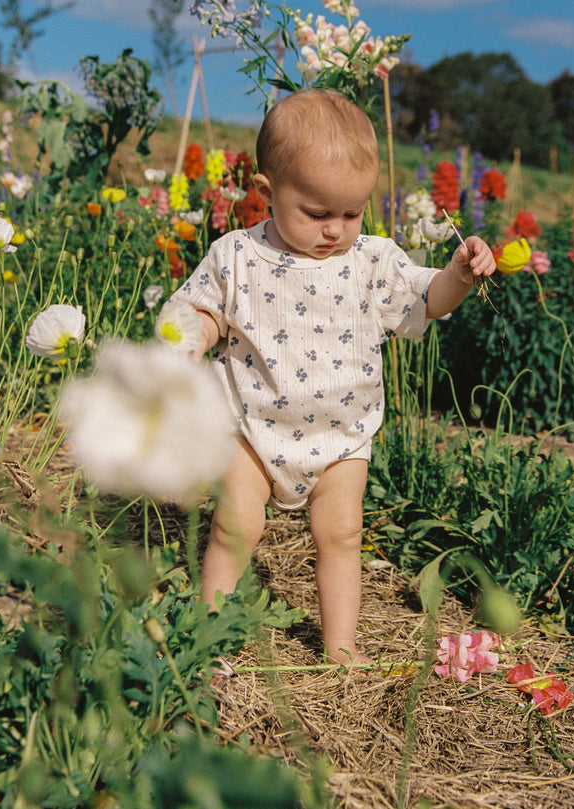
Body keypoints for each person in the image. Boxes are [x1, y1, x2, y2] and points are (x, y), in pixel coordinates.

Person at [172, 88, 496, 666]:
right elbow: (202, 309)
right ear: (267, 192)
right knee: (234, 526)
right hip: (250, 423)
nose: (336, 230)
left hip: (342, 436)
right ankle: (207, 636)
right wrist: (195, 335)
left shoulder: (373, 259)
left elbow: (429, 299)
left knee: (342, 536)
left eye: (352, 213)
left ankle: (340, 648)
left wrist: (459, 274)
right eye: (318, 213)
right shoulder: (236, 255)